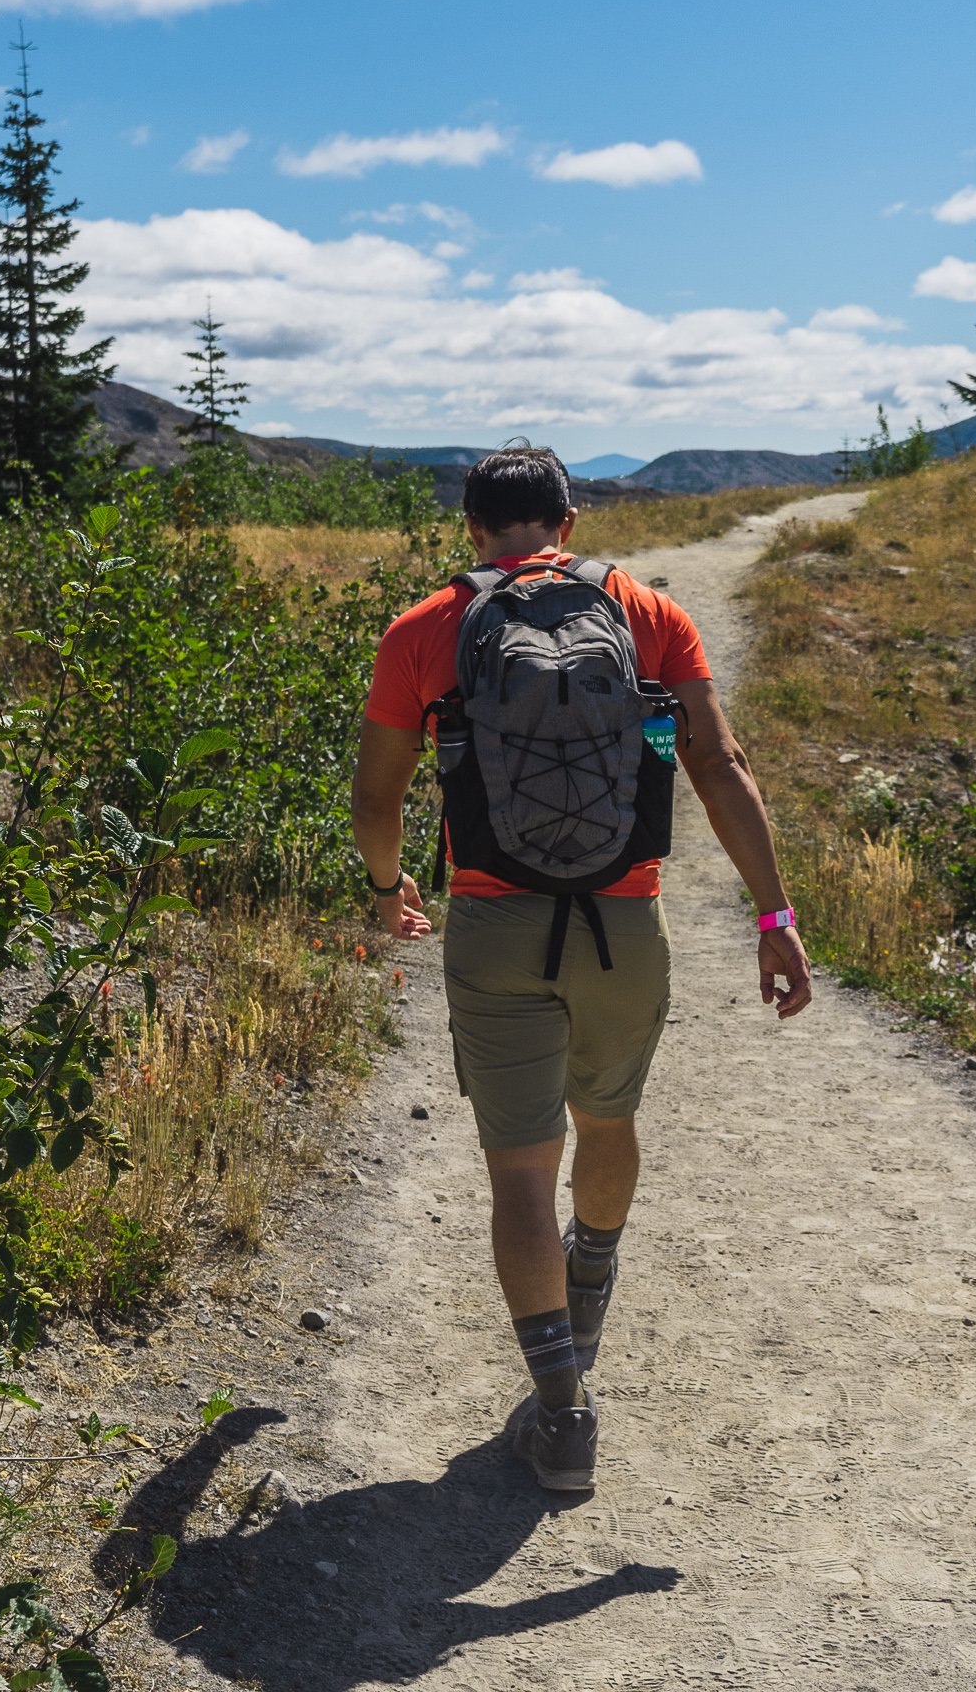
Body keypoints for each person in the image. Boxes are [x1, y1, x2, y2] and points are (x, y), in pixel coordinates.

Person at [351, 444, 811, 1490]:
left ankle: (562, 1415)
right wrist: (773, 913)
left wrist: (388, 890)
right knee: (608, 1122)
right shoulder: (649, 614)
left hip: (492, 922)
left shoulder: (423, 630)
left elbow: (377, 798)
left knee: (520, 1166)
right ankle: (591, 1272)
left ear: (469, 529)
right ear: (570, 516)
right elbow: (718, 763)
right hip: (624, 919)